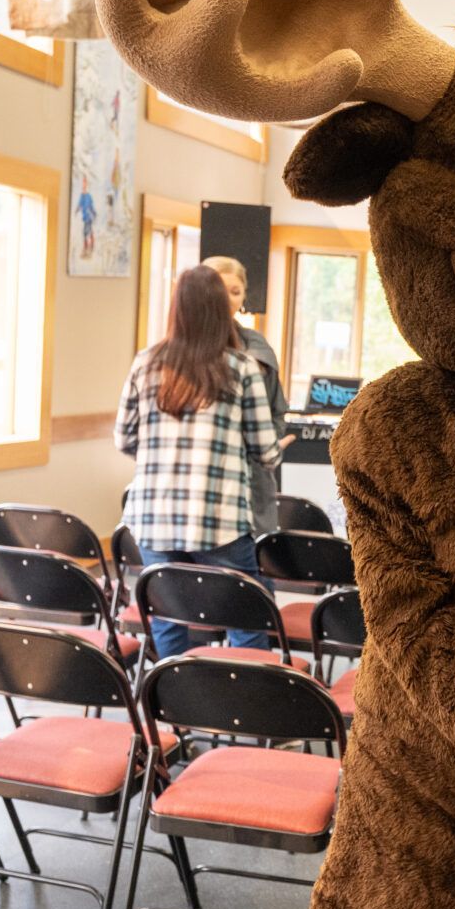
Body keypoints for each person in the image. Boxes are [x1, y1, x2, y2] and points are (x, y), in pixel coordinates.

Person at [117, 263, 284, 660]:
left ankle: (173, 713)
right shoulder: (241, 368)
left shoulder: (146, 362)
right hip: (220, 522)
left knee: (168, 619)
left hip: (153, 520)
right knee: (244, 620)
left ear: (178, 308)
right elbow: (266, 451)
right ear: (220, 309)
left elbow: (124, 438)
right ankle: (242, 710)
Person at [204, 255, 293, 534]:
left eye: (235, 292)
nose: (228, 299)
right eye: (221, 290)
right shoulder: (174, 354)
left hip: (250, 481)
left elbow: (276, 410)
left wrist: (268, 445)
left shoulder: (255, 348)